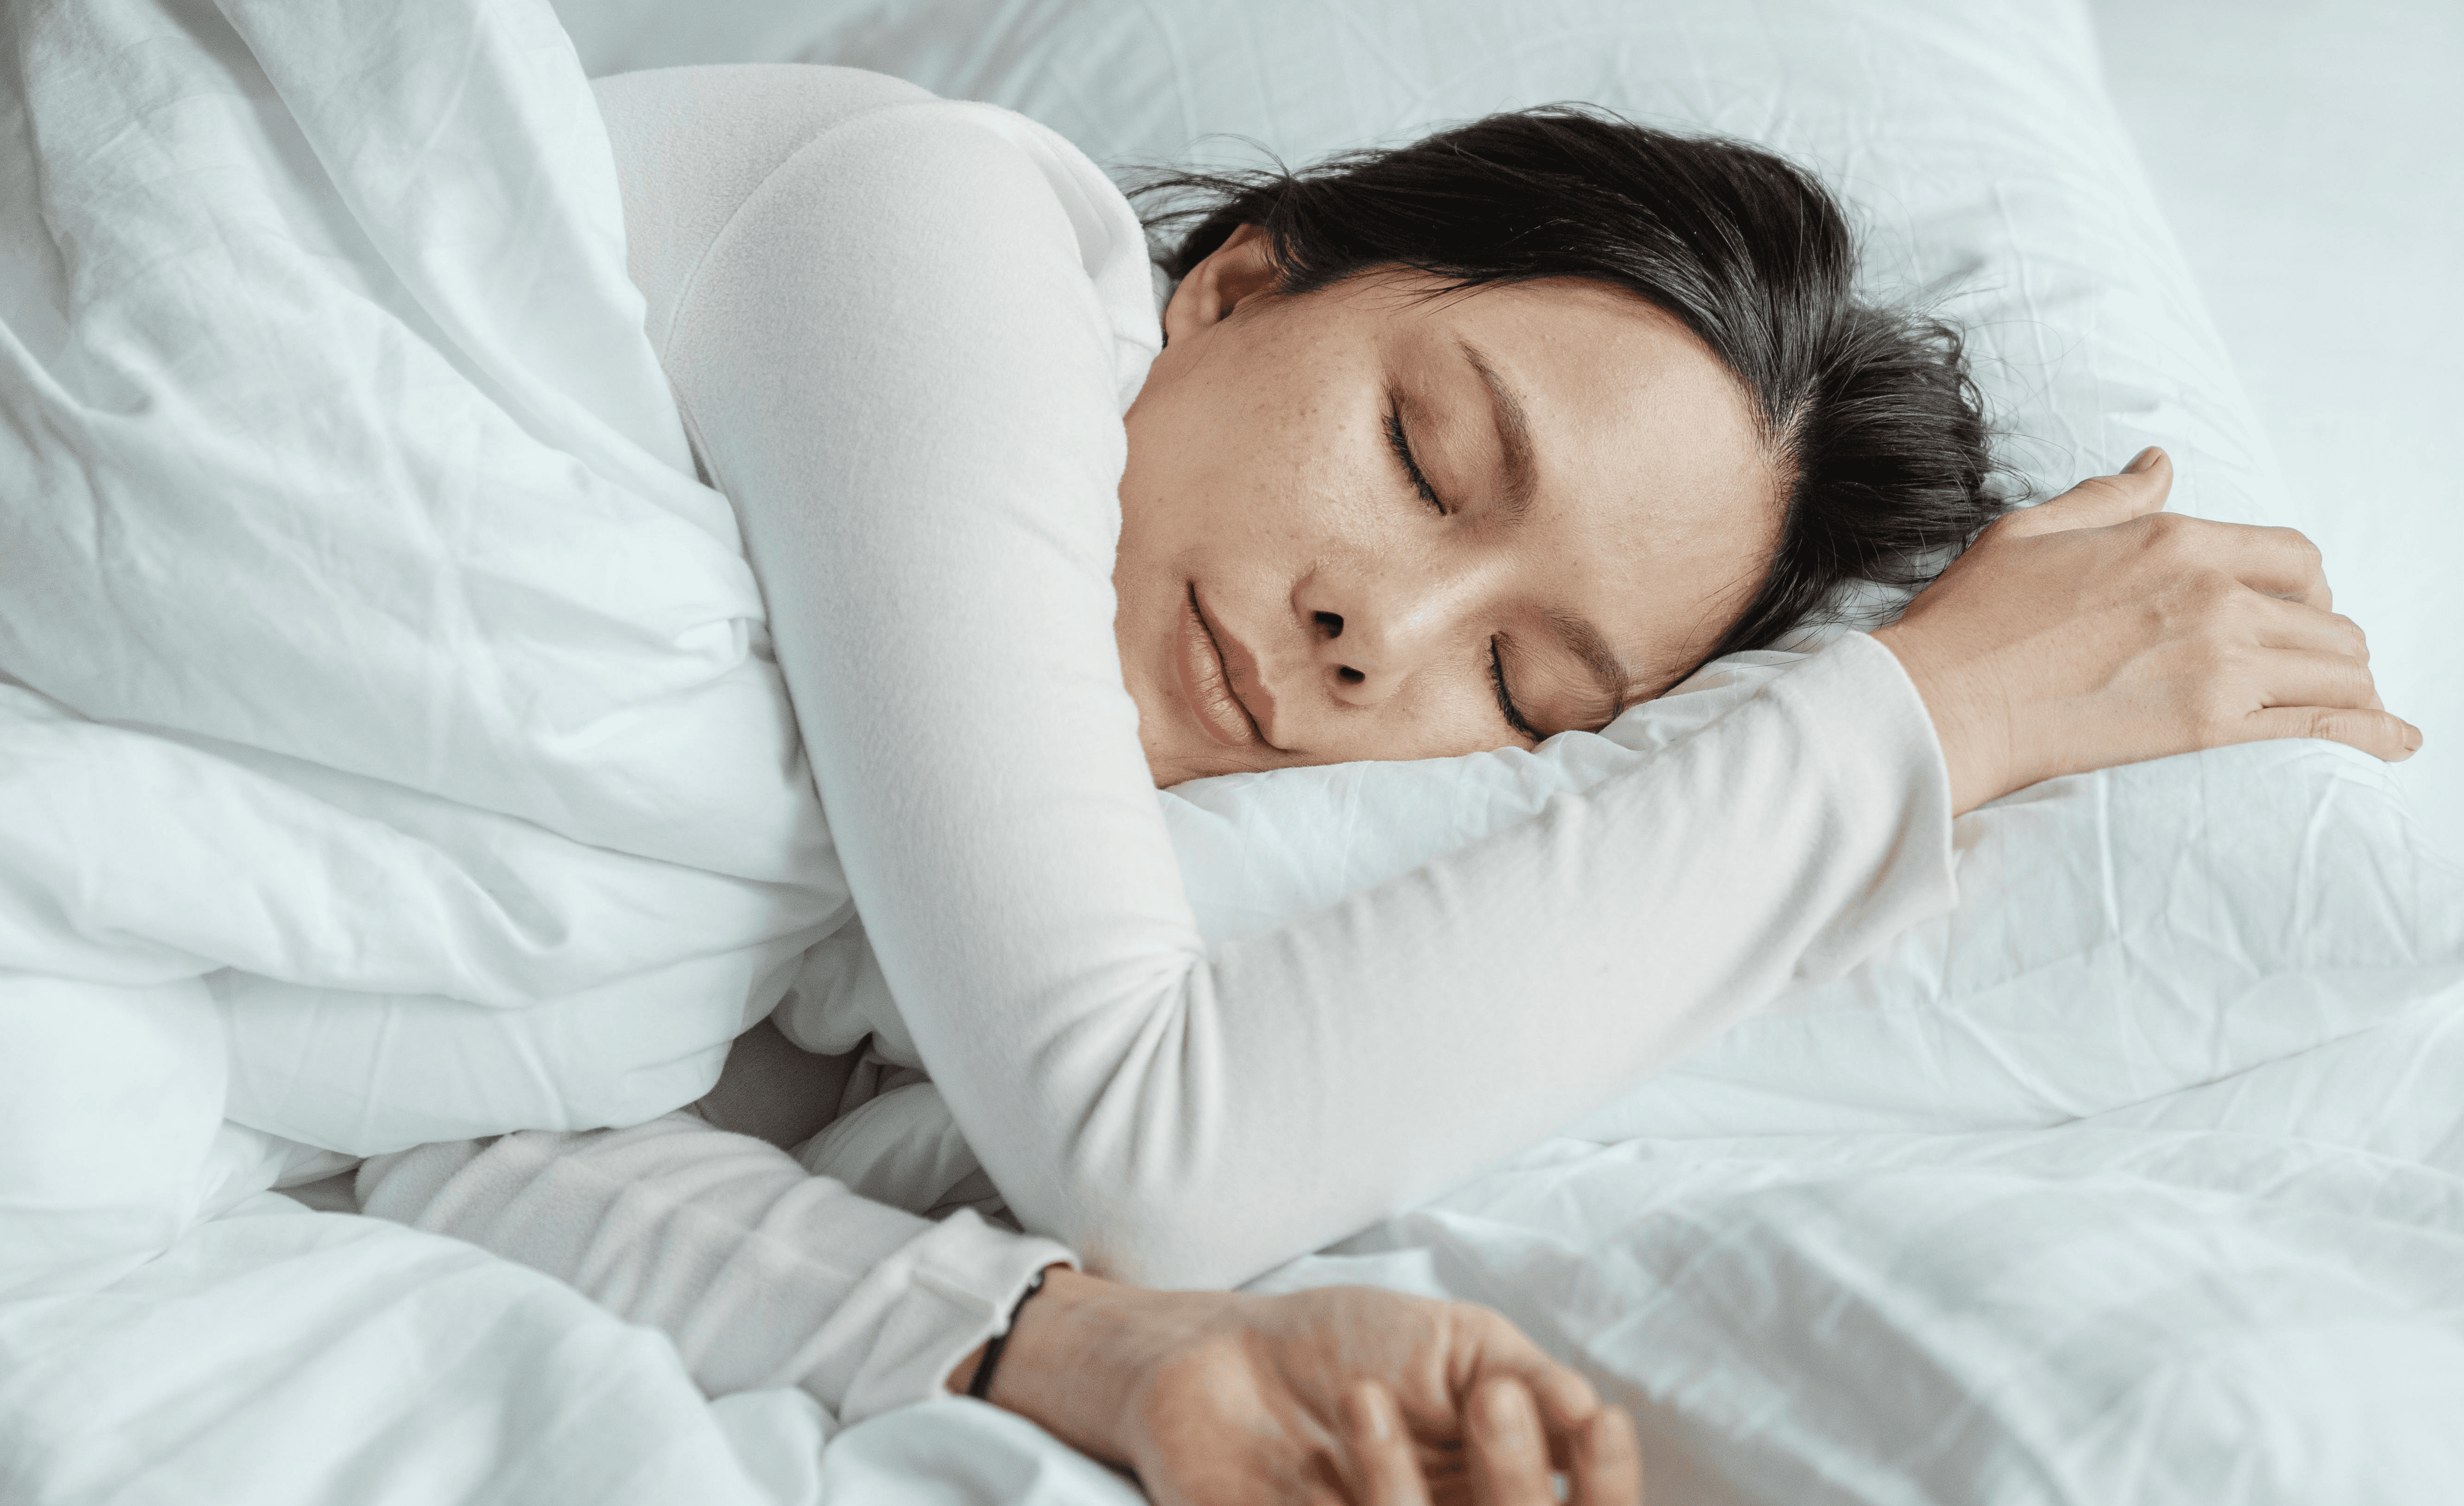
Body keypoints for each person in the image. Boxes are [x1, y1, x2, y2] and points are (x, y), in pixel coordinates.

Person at [359, 62, 2413, 1506]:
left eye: (1524, 685)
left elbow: (422, 1144)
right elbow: (1148, 1136)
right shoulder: (933, 232)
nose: (1381, 637)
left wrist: (1101, 1353)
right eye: (1430, 457)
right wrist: (1924, 721)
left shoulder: (832, 905)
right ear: (1244, 283)